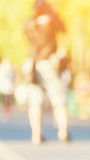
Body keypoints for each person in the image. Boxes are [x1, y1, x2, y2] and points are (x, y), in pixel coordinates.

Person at [23, 0, 69, 144]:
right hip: (49, 63)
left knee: (36, 101)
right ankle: (63, 131)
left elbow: (25, 38)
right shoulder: (52, 20)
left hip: (33, 63)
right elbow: (63, 29)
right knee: (59, 99)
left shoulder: (28, 23)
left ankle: (36, 135)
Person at [0, 58, 16, 122]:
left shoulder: (11, 68)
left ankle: (7, 111)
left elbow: (14, 77)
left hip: (10, 88)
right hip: (2, 88)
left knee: (8, 101)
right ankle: (5, 112)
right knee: (4, 101)